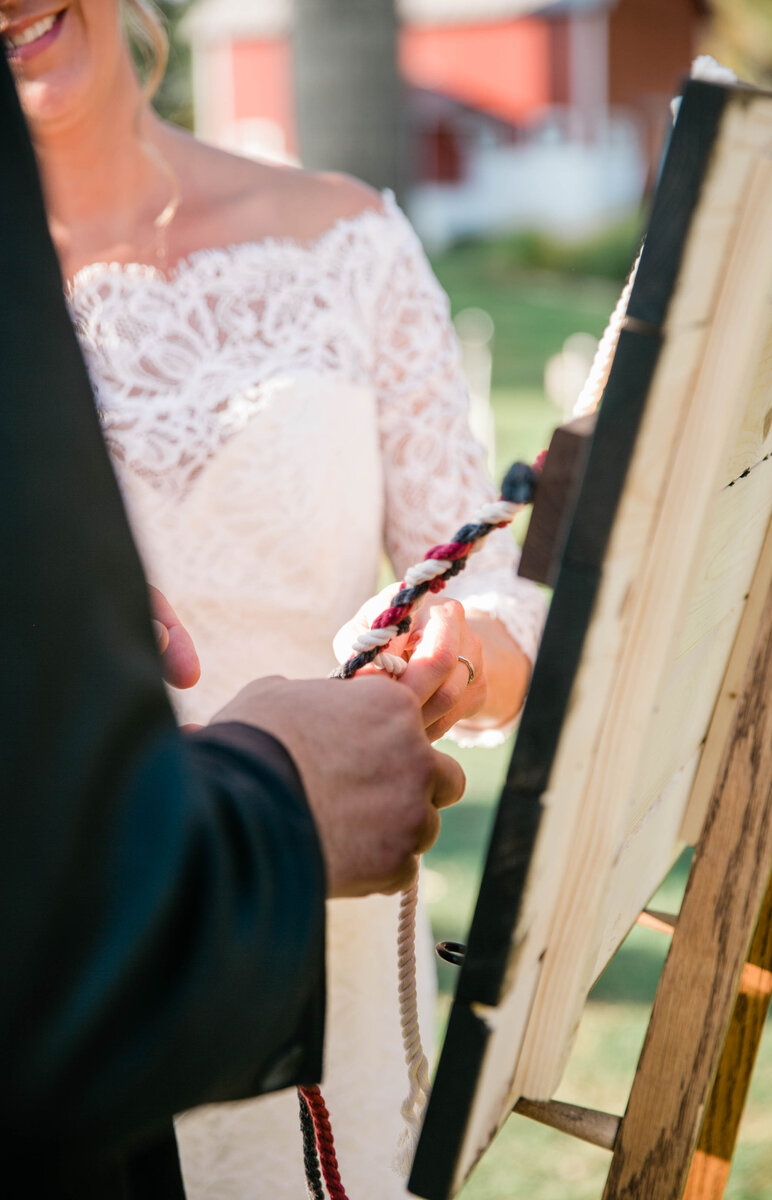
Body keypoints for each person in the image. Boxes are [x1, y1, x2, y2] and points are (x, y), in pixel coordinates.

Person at [2, 0, 547, 1194]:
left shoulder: (345, 237)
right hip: (64, 972)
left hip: (339, 914)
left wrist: (467, 650)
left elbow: (484, 567)